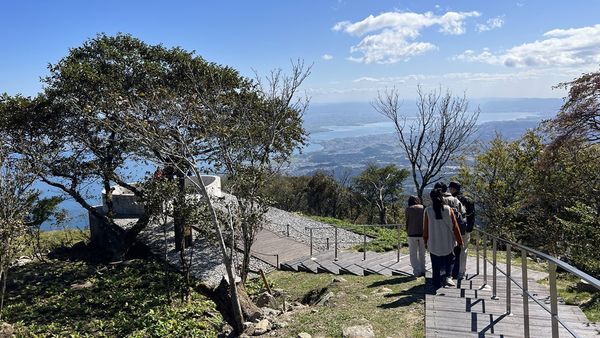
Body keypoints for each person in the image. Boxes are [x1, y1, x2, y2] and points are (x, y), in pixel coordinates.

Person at [423, 188, 464, 288]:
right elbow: (455, 227)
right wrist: (460, 241)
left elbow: (425, 229)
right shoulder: (448, 209)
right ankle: (447, 277)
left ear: (431, 198)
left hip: (433, 242)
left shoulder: (428, 211)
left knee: (435, 264)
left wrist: (425, 241)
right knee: (450, 260)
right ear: (442, 196)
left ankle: (436, 282)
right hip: (448, 242)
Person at [434, 181, 465, 279]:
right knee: (456, 253)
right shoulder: (455, 200)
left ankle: (443, 274)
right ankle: (453, 274)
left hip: (440, 231)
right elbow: (462, 214)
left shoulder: (436, 200)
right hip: (454, 230)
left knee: (442, 254)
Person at [449, 181, 475, 280]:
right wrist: (469, 229)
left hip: (454, 230)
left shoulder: (452, 200)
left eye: (451, 188)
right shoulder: (468, 200)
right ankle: (461, 272)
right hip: (465, 230)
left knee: (452, 250)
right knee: (463, 251)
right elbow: (472, 216)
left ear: (454, 189)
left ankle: (451, 272)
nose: (450, 190)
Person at [405, 196, 426, 277]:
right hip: (422, 233)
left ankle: (416, 272)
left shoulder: (408, 209)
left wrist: (407, 230)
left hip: (411, 233)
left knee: (413, 253)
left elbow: (407, 221)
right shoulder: (423, 208)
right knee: (422, 253)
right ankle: (423, 270)